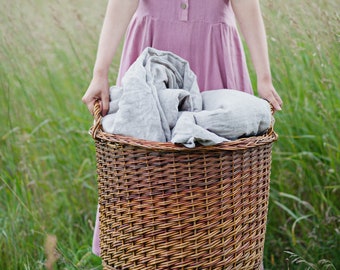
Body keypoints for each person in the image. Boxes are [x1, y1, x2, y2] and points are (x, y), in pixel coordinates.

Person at [82, 0, 282, 266]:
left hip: (214, 49)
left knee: (219, 174)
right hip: (151, 48)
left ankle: (218, 256)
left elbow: (247, 4)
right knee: (143, 171)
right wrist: (100, 72)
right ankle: (143, 257)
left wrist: (264, 78)